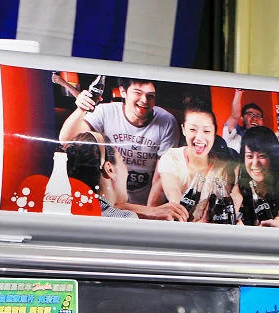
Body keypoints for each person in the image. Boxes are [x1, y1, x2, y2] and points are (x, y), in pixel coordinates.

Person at [58, 77, 187, 220]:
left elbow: (159, 178)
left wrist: (151, 214)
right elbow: (67, 141)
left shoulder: (167, 122)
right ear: (123, 92)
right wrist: (81, 109)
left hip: (144, 205)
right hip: (108, 200)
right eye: (138, 92)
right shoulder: (105, 112)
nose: (144, 100)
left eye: (151, 95)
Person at [155, 99, 236, 224]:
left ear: (214, 133)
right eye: (192, 130)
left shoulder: (221, 168)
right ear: (183, 129)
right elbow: (174, 196)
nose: (199, 137)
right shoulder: (171, 158)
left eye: (207, 131)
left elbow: (220, 212)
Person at [65, 131, 139, 218]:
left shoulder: (62, 212)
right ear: (109, 169)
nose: (127, 172)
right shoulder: (125, 218)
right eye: (121, 160)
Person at [231, 125, 279, 225]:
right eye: (249, 156)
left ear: (273, 158)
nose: (255, 163)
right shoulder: (240, 188)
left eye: (262, 156)